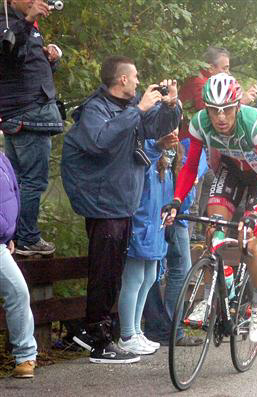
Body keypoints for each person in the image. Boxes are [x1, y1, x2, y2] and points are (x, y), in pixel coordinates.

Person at [61, 55, 181, 363]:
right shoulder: (95, 109)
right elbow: (99, 142)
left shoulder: (130, 110)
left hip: (122, 203)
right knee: (104, 273)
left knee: (112, 273)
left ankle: (103, 334)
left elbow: (157, 128)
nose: (140, 81)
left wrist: (171, 106)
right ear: (123, 79)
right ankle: (98, 340)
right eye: (136, 76)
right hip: (103, 204)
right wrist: (139, 110)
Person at [162, 73, 257, 343]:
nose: (220, 117)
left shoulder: (255, 124)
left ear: (237, 107)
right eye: (213, 110)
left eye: (227, 109)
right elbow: (191, 166)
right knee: (213, 230)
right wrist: (176, 200)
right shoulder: (200, 124)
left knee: (248, 242)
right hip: (231, 169)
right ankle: (216, 288)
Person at [0, 0, 64, 256]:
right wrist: (27, 23)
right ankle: (26, 236)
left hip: (26, 111)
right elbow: (8, 55)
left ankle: (12, 234)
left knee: (14, 181)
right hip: (28, 113)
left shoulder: (25, 24)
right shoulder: (7, 21)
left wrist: (51, 58)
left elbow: (27, 64)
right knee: (32, 181)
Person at [179, 46, 257, 239]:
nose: (228, 72)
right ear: (210, 67)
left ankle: (203, 233)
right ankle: (194, 236)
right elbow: (209, 113)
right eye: (224, 68)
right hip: (189, 144)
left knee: (210, 183)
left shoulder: (208, 83)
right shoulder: (199, 83)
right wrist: (242, 101)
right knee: (197, 190)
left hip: (206, 147)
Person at [142, 131, 208, 346]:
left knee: (153, 271)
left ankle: (161, 328)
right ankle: (171, 329)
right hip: (168, 216)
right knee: (175, 270)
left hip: (161, 215)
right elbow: (186, 189)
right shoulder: (172, 148)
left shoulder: (177, 148)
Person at [117, 131, 180, 355]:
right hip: (140, 225)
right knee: (133, 279)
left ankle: (136, 330)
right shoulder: (146, 153)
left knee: (150, 278)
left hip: (157, 227)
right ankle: (126, 334)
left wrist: (170, 212)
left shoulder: (165, 163)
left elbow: (166, 195)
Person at [0, 151, 38, 378]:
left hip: (3, 242)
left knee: (18, 292)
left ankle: (25, 357)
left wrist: (8, 234)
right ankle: (25, 355)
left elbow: (12, 193)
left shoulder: (2, 157)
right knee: (17, 291)